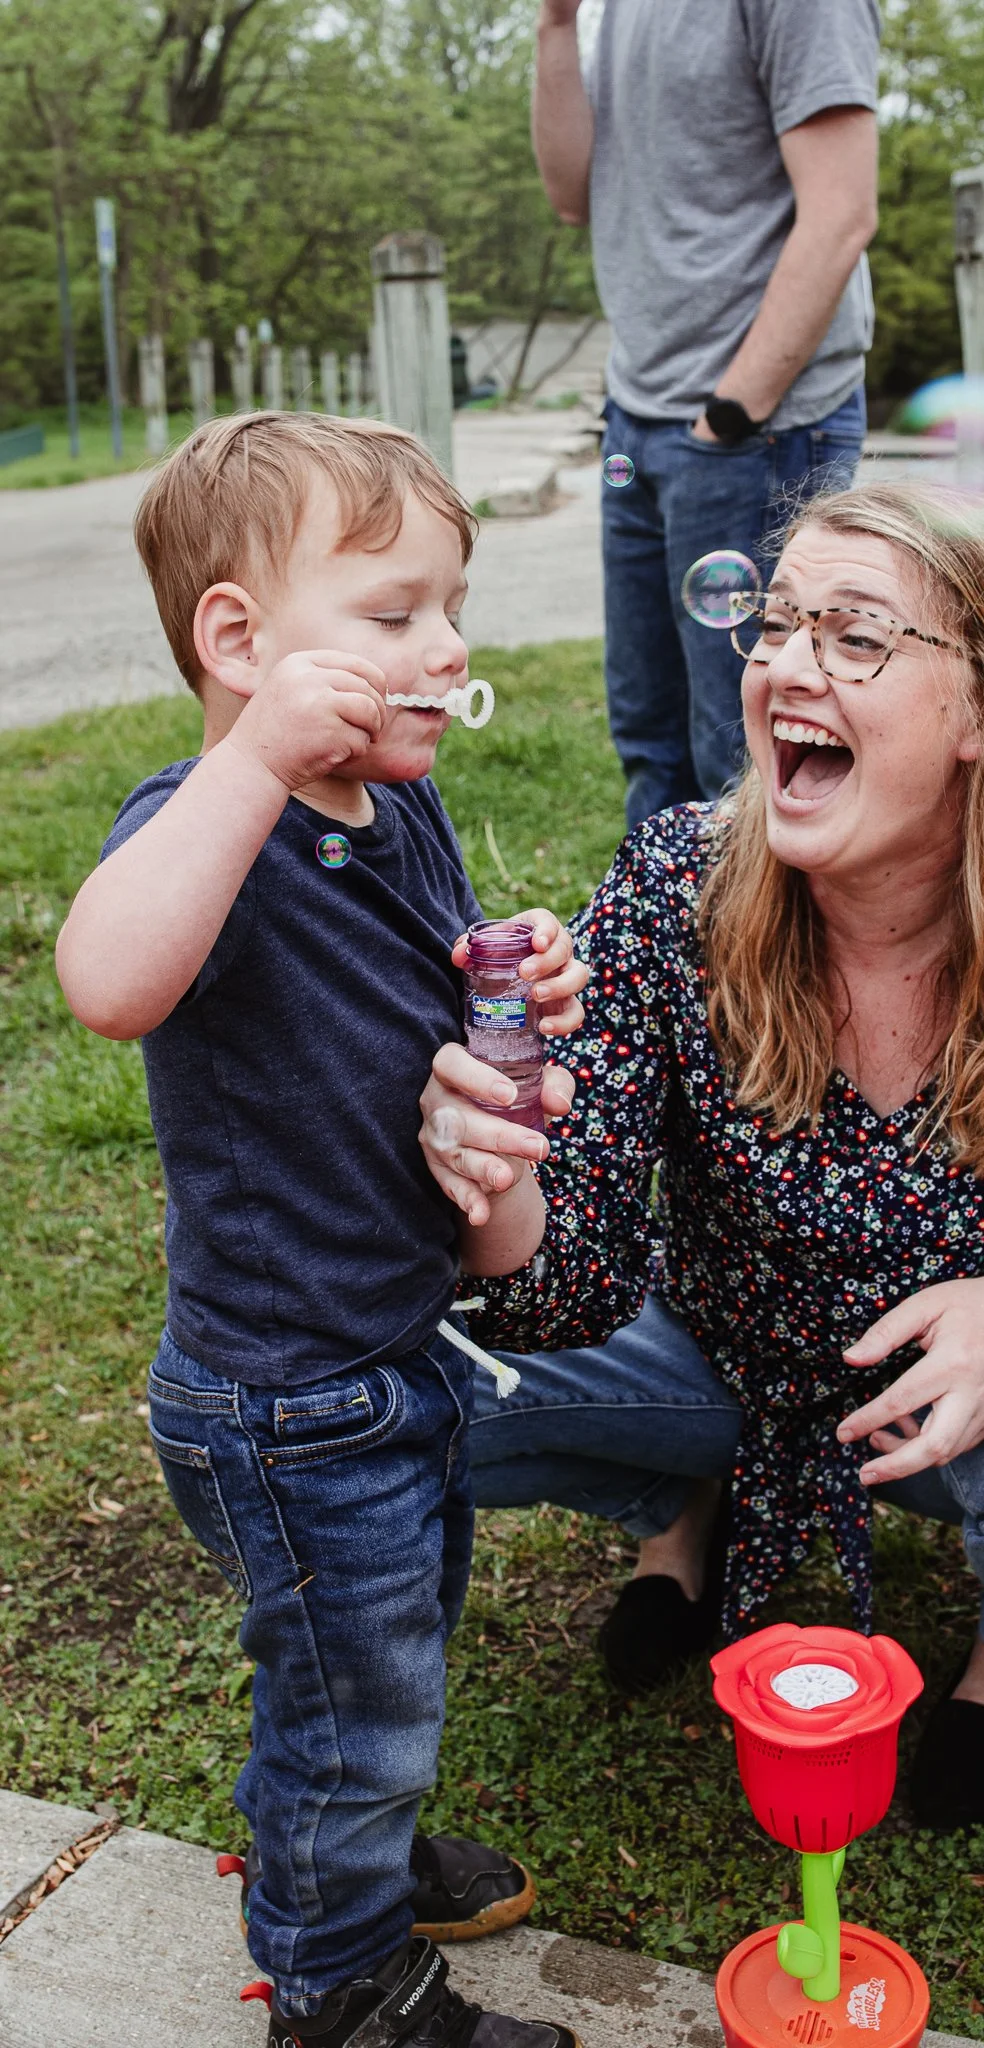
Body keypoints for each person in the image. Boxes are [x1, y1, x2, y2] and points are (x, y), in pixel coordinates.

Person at [418, 481, 984, 1832]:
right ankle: (687, 1491)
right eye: (775, 623)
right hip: (715, 1351)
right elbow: (563, 1283)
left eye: (856, 635)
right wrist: (499, 1175)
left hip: (949, 1405)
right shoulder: (677, 887)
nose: (784, 666)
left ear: (983, 712)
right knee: (372, 1382)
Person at [55, 413, 595, 2048]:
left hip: (392, 1354)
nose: (444, 647)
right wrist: (243, 763)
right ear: (239, 639)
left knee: (389, 1654)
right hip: (285, 1397)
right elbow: (108, 976)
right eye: (393, 613)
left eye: (453, 608)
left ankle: (347, 1839)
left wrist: (508, 976)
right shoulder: (203, 825)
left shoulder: (392, 805)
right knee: (348, 1691)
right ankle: (339, 1976)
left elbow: (431, 1009)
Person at [533, 0, 881, 827]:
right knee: (652, 745)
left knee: (752, 757)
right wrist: (554, 26)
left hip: (755, 430)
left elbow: (842, 211)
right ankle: (659, 947)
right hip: (640, 417)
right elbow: (570, 193)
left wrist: (729, 414)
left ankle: (762, 959)